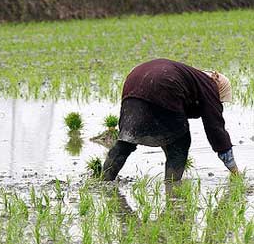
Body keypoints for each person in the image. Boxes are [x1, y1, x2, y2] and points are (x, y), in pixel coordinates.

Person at [102, 58, 239, 182]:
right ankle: (172, 187)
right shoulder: (209, 86)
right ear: (218, 88)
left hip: (134, 82)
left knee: (127, 140)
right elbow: (215, 129)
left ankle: (104, 181)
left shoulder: (192, 77)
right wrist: (234, 169)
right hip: (164, 83)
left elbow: (166, 124)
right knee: (180, 143)